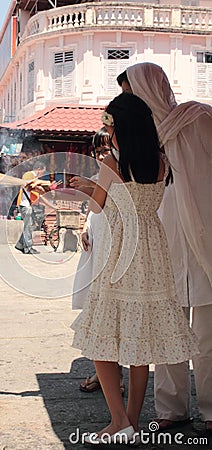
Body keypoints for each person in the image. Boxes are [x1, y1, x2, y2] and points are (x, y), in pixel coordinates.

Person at [71, 92, 198, 445]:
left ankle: (118, 420)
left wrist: (86, 187)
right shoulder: (161, 160)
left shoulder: (113, 161)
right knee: (138, 340)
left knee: (103, 339)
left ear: (119, 127)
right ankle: (133, 421)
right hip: (152, 250)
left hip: (120, 250)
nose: (106, 130)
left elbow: (99, 207)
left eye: (108, 124)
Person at [117, 62, 212, 434]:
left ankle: (210, 408)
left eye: (130, 92)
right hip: (163, 240)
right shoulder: (139, 135)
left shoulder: (199, 119)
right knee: (169, 332)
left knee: (208, 335)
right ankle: (172, 408)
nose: (128, 101)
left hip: (204, 237)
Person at [70, 128, 124, 394]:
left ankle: (116, 376)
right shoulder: (95, 177)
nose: (103, 155)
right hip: (96, 246)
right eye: (99, 150)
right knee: (97, 313)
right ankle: (102, 372)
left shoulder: (123, 175)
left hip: (118, 251)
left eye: (107, 149)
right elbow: (89, 210)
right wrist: (83, 227)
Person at [15, 161, 49, 254]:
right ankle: (28, 248)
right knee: (28, 227)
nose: (42, 174)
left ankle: (20, 244)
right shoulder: (29, 175)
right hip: (25, 205)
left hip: (29, 205)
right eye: (42, 172)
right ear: (38, 170)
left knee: (28, 226)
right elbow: (28, 186)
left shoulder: (34, 179)